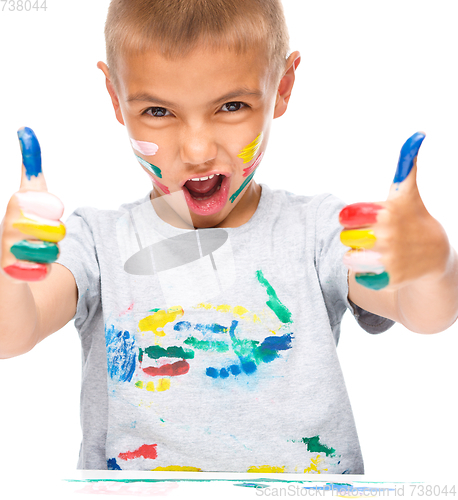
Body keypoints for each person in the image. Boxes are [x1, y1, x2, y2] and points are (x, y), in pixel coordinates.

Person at [0, 0, 457, 474]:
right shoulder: (96, 242)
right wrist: (12, 268)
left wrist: (432, 262)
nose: (197, 150)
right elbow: (12, 334)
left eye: (232, 106)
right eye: (158, 111)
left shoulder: (318, 233)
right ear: (116, 97)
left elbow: (423, 313)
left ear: (282, 86)